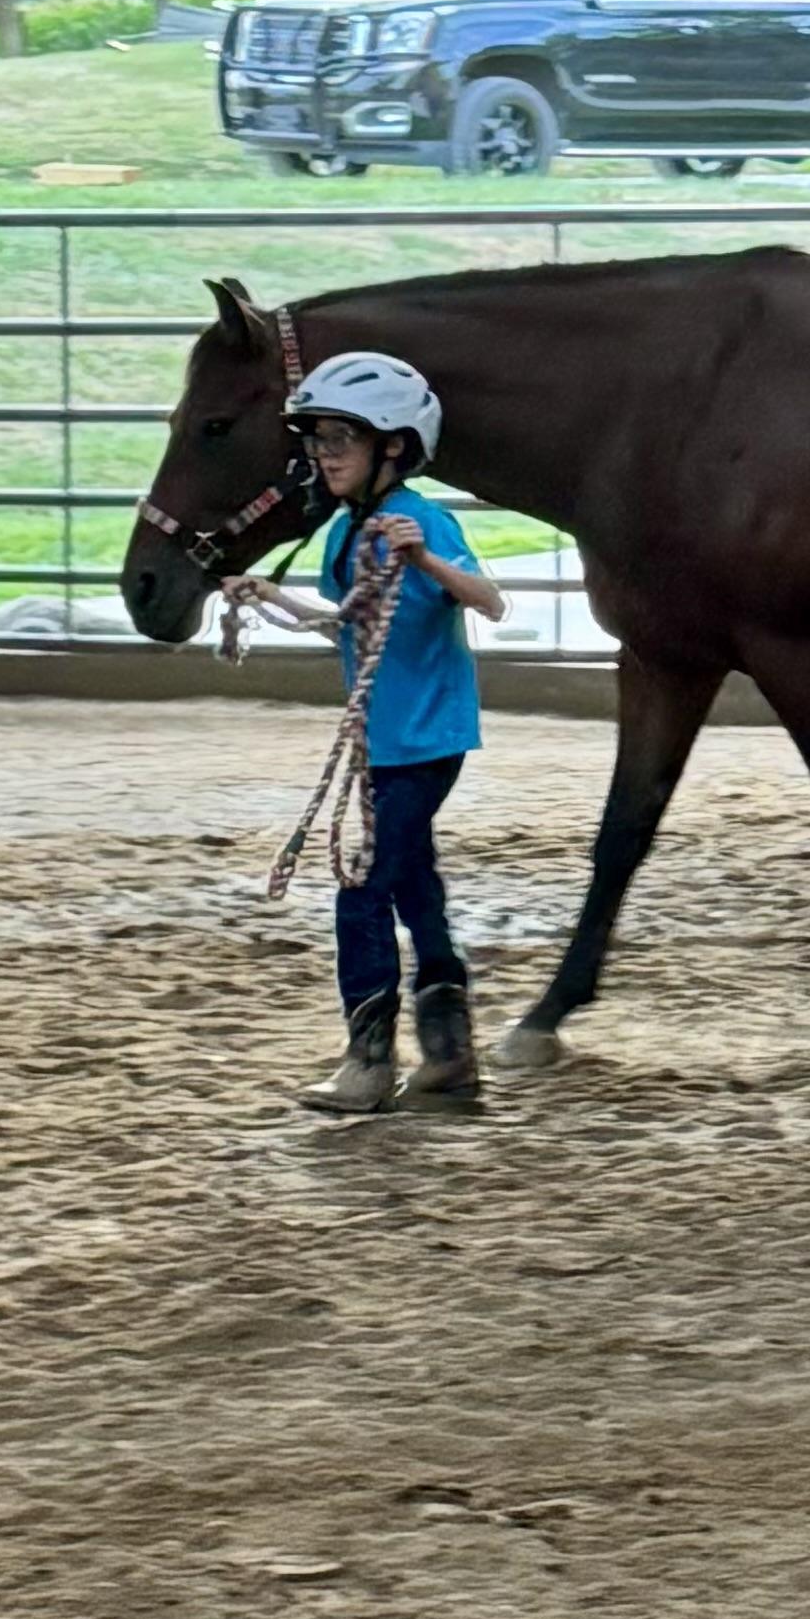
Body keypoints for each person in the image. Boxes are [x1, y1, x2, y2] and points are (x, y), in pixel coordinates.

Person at [222, 351, 504, 1113]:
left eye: (343, 435)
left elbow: (489, 600)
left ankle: (369, 1061)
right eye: (318, 437)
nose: (326, 452)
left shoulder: (426, 520)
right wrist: (272, 596)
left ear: (394, 445)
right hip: (384, 743)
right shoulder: (343, 536)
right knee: (413, 886)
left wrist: (423, 556)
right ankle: (449, 1055)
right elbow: (349, 625)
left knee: (361, 888)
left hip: (426, 740)